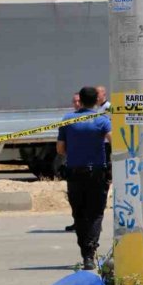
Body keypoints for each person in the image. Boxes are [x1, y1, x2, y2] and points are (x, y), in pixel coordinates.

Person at [57, 87, 111, 270]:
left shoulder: (67, 120)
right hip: (97, 173)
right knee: (95, 214)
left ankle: (86, 255)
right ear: (97, 100)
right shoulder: (102, 120)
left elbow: (60, 150)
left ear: (80, 100)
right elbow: (115, 141)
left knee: (79, 215)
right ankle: (91, 251)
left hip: (75, 173)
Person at [65, 92, 82, 233]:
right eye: (74, 101)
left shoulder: (95, 118)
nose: (76, 104)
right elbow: (60, 145)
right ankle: (77, 222)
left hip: (91, 165)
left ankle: (93, 225)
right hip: (73, 164)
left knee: (89, 198)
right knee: (74, 197)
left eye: (79, 101)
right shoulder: (69, 119)